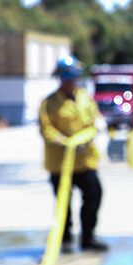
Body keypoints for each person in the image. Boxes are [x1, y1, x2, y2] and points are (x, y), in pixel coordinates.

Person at [40, 57, 107, 254]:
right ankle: (66, 240)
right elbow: (46, 129)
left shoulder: (85, 97)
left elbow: (94, 120)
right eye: (66, 76)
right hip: (60, 164)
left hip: (85, 160)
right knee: (64, 204)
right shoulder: (49, 103)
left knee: (94, 195)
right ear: (59, 78)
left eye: (73, 76)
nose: (70, 81)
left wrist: (93, 132)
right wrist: (63, 142)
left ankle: (88, 238)